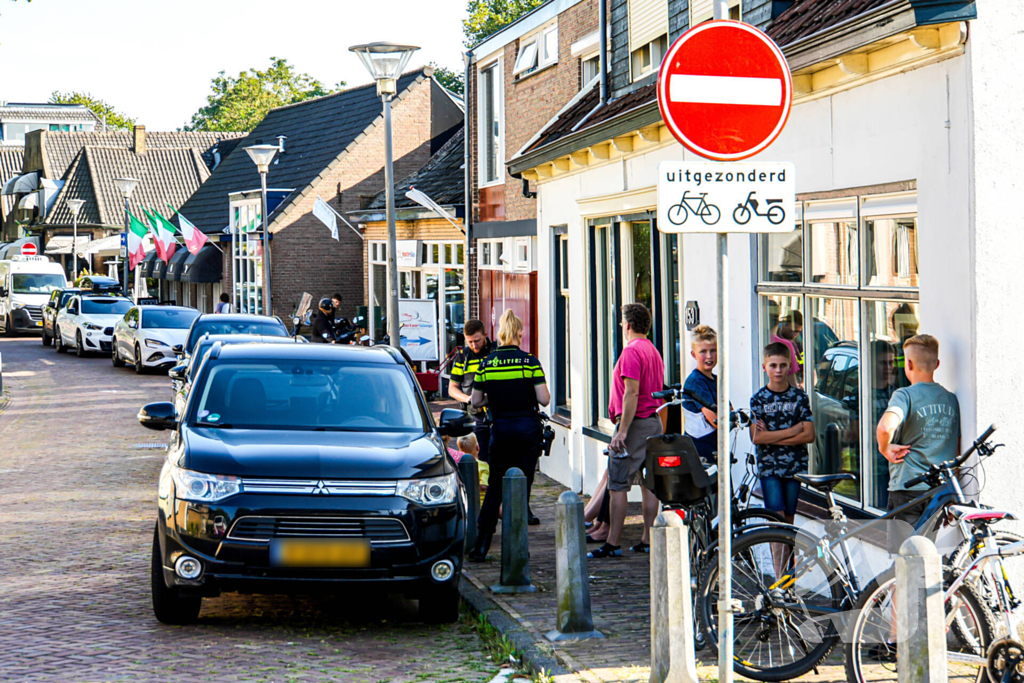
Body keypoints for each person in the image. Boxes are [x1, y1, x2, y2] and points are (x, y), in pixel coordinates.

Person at [467, 310, 549, 562]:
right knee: (522, 487)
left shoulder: (486, 363)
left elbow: (476, 401)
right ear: (520, 333)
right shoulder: (529, 361)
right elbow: (544, 399)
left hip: (500, 431)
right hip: (527, 431)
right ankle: (517, 546)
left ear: (500, 334)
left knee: (495, 487)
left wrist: (497, 397)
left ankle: (482, 545)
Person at [588, 303, 665, 559]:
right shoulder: (653, 350)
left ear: (628, 325)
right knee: (649, 485)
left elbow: (631, 392)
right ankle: (647, 538)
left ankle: (612, 542)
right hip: (654, 421)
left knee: (617, 485)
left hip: (634, 424)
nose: (622, 326)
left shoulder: (632, 352)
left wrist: (621, 431)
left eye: (622, 323)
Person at [876, 334, 960, 555]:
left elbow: (886, 427)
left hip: (907, 489)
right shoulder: (950, 399)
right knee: (926, 556)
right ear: (937, 365)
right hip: (939, 491)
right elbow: (957, 450)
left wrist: (885, 448)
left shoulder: (904, 395)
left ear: (909, 364)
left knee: (904, 562)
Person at [750, 342, 815, 574]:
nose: (778, 370)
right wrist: (791, 431)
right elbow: (757, 438)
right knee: (774, 518)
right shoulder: (758, 399)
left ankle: (789, 577)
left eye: (783, 365)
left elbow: (809, 434)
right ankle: (780, 576)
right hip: (769, 468)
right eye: (773, 365)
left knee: (788, 520)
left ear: (790, 367)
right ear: (765, 367)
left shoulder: (799, 397)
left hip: (795, 466)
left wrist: (772, 437)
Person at [448, 320, 498, 466]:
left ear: (486, 335)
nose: (474, 345)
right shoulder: (462, 356)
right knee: (480, 456)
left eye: (477, 341)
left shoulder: (497, 352)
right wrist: (468, 398)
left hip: (497, 413)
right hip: (475, 415)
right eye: (470, 342)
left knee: (498, 456)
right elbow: (452, 388)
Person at [682, 325, 721, 464]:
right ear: (694, 354)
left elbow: (730, 411)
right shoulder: (696, 382)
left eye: (713, 351)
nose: (709, 356)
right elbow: (717, 421)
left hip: (715, 447)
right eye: (703, 352)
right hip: (700, 451)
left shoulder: (716, 380)